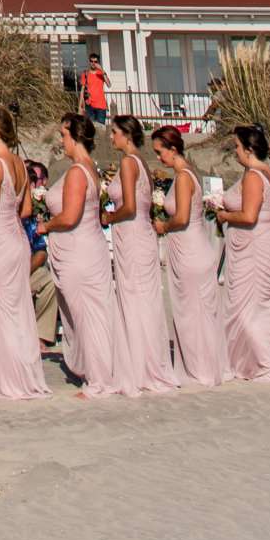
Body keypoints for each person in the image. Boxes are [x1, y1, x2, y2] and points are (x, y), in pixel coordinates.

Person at [41, 112, 133, 396]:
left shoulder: (78, 172)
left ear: (75, 136)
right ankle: (100, 372)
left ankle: (98, 378)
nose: (61, 141)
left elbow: (69, 217)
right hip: (86, 247)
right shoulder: (89, 168)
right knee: (90, 313)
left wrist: (46, 225)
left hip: (78, 250)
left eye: (64, 135)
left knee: (87, 314)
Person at [212, 125, 270, 383]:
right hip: (268, 244)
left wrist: (224, 215)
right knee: (265, 306)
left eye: (238, 148)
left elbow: (249, 215)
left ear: (249, 149)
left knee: (248, 307)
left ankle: (265, 360)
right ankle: (260, 357)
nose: (236, 152)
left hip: (255, 249)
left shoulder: (254, 175)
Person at [0, 108, 46, 398]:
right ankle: (23, 373)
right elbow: (26, 210)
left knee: (0, 310)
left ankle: (7, 379)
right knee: (18, 308)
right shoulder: (20, 165)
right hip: (17, 240)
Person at [102, 114, 178, 392]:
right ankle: (146, 361)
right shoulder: (142, 163)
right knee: (143, 298)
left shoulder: (128, 162)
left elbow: (130, 206)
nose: (111, 138)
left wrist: (109, 218)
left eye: (114, 133)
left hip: (132, 234)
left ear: (127, 135)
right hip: (140, 234)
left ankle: (137, 366)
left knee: (133, 297)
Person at [149, 125, 226, 385]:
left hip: (190, 248)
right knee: (194, 312)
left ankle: (199, 369)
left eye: (161, 153)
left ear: (173, 149)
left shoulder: (183, 178)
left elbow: (181, 217)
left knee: (192, 312)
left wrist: (163, 226)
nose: (159, 158)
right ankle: (201, 365)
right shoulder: (188, 174)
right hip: (192, 247)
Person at [79, 52, 109, 126]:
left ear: (98, 62)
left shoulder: (101, 73)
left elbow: (109, 84)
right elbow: (82, 90)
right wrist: (80, 106)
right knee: (90, 129)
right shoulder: (85, 74)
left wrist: (102, 70)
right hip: (89, 106)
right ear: (89, 62)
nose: (93, 63)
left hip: (101, 106)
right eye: (91, 61)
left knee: (101, 130)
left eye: (95, 62)